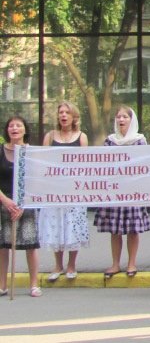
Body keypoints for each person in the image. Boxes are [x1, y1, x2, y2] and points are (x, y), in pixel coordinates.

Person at [93, 106, 150, 279]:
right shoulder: (110, 141)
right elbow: (104, 164)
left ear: (131, 120)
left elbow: (144, 164)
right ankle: (115, 264)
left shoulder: (140, 141)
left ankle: (131, 263)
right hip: (114, 191)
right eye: (118, 116)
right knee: (115, 230)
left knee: (133, 229)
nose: (121, 120)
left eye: (125, 116)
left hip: (133, 191)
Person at [39, 101, 90, 282]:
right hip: (54, 190)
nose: (63, 115)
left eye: (67, 113)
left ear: (74, 116)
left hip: (74, 190)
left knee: (72, 226)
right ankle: (58, 265)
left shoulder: (81, 137)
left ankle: (71, 265)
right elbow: (43, 161)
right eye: (61, 112)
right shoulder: (50, 136)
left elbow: (86, 164)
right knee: (56, 226)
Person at [0, 115, 41, 297]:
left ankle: (34, 284)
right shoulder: (1, 150)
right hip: (4, 202)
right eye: (11, 126)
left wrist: (22, 205)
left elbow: (37, 180)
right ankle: (2, 285)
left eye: (18, 125)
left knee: (30, 245)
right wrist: (6, 201)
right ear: (7, 130)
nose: (15, 128)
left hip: (26, 203)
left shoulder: (31, 152)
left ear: (25, 129)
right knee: (3, 246)